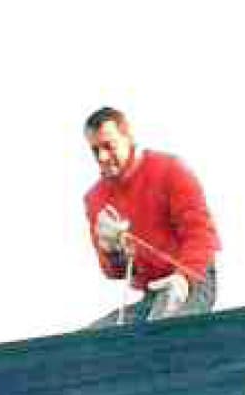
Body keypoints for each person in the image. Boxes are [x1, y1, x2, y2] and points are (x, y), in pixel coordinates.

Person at [82, 107, 221, 324]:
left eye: (109, 146)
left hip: (194, 280)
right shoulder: (95, 198)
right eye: (95, 150)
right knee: (93, 340)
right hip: (152, 293)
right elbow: (115, 271)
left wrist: (183, 279)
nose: (102, 157)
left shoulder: (169, 170)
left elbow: (201, 235)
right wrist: (112, 251)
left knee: (161, 331)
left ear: (128, 138)